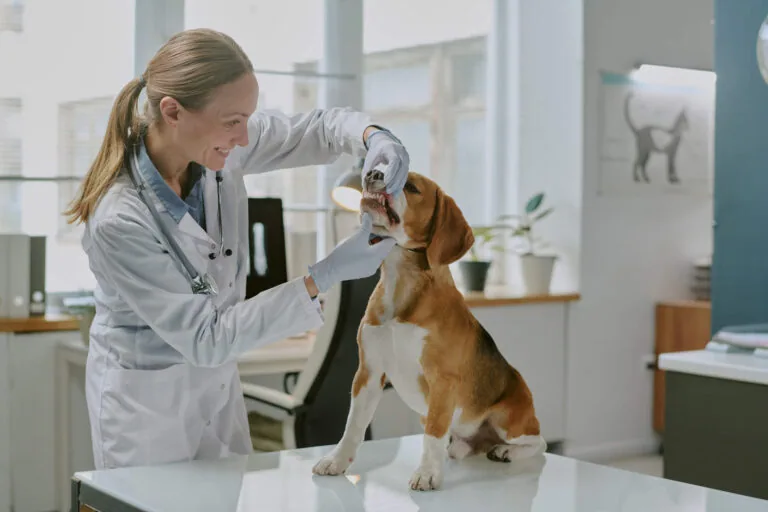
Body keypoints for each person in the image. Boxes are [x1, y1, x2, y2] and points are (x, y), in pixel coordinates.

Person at [63, 28, 410, 470]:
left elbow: (320, 129)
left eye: (247, 118)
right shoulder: (120, 219)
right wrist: (324, 274)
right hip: (146, 413)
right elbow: (206, 340)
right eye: (233, 122)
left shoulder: (214, 151)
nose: (245, 138)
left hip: (218, 393)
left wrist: (374, 137)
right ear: (173, 111)